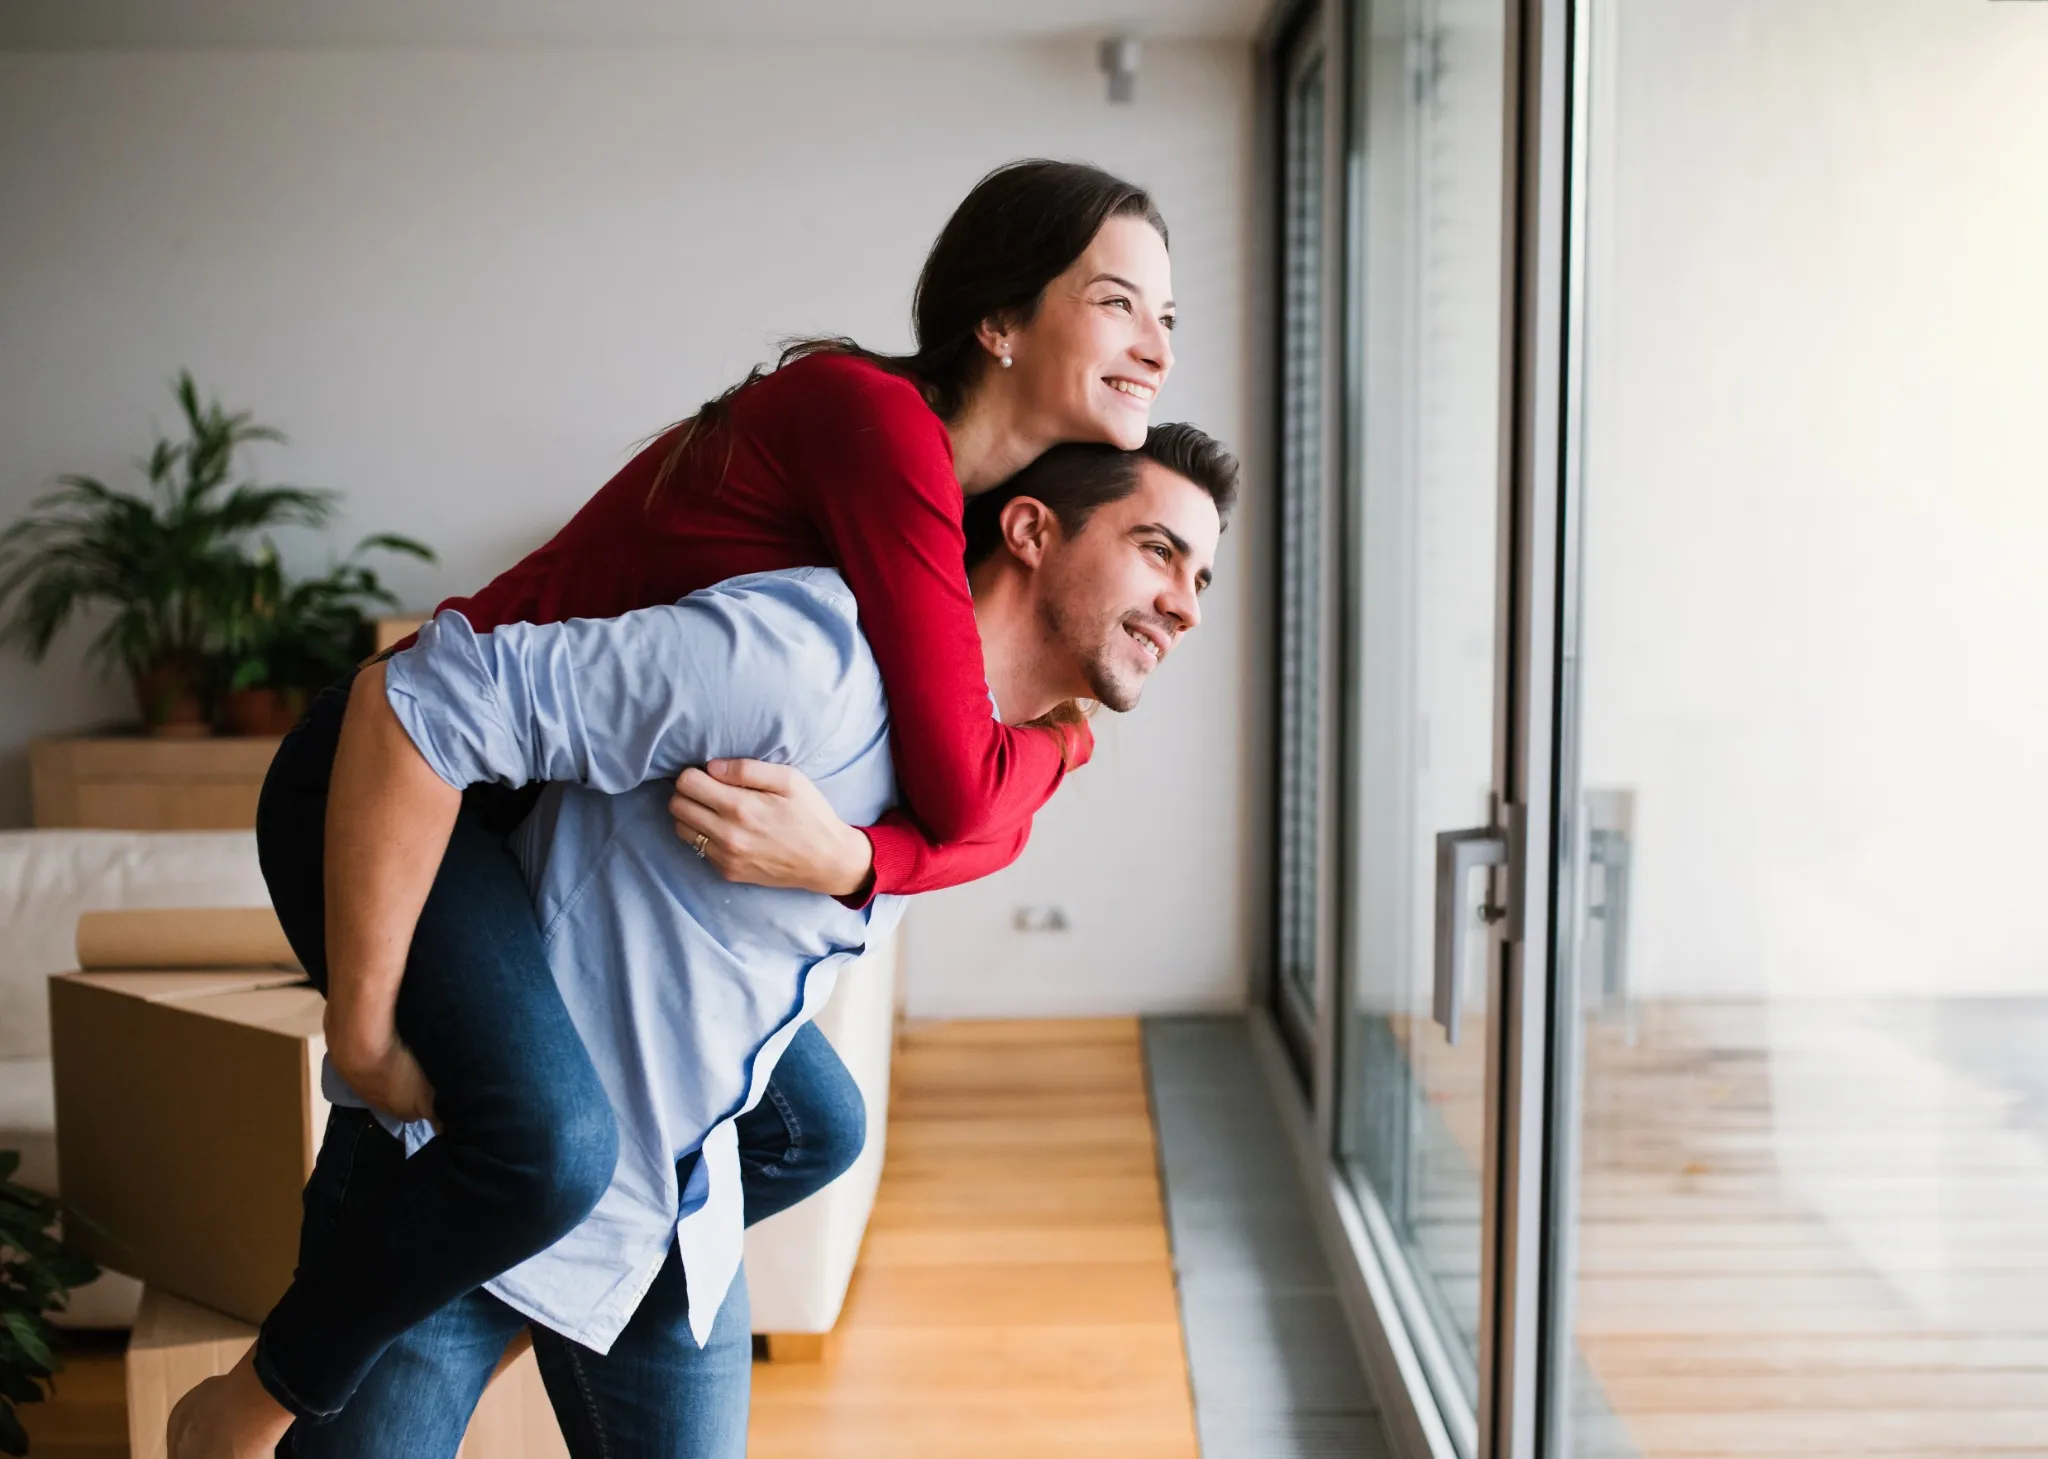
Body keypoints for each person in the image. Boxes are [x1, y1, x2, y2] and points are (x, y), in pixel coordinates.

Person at [169, 158, 1180, 1459]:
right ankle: (242, 1407)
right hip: (399, 764)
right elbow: (963, 786)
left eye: (1168, 318)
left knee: (811, 1120)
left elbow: (965, 793)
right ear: (998, 317)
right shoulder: (879, 431)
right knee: (547, 1138)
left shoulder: (942, 502)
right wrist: (361, 1034)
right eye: (1118, 302)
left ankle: (539, 1259)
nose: (1153, 344)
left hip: (503, 786)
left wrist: (904, 827)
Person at [270, 425, 1233, 1459]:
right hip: (466, 1178)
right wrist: (363, 1032)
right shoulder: (803, 659)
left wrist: (855, 859)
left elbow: (1004, 804)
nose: (1185, 602)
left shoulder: (998, 767)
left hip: (670, 1219)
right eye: (1157, 550)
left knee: (820, 1121)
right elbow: (425, 699)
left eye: (1203, 574)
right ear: (1032, 529)